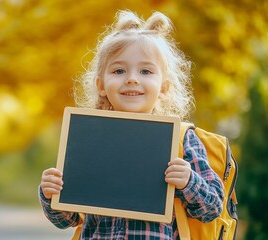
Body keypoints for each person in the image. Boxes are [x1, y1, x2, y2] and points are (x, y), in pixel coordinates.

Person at [38, 10, 224, 239]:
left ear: (164, 88)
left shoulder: (181, 139)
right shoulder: (89, 137)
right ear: (101, 85)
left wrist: (188, 181)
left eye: (146, 71)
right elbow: (69, 219)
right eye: (119, 70)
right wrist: (50, 193)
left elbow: (213, 208)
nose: (132, 78)